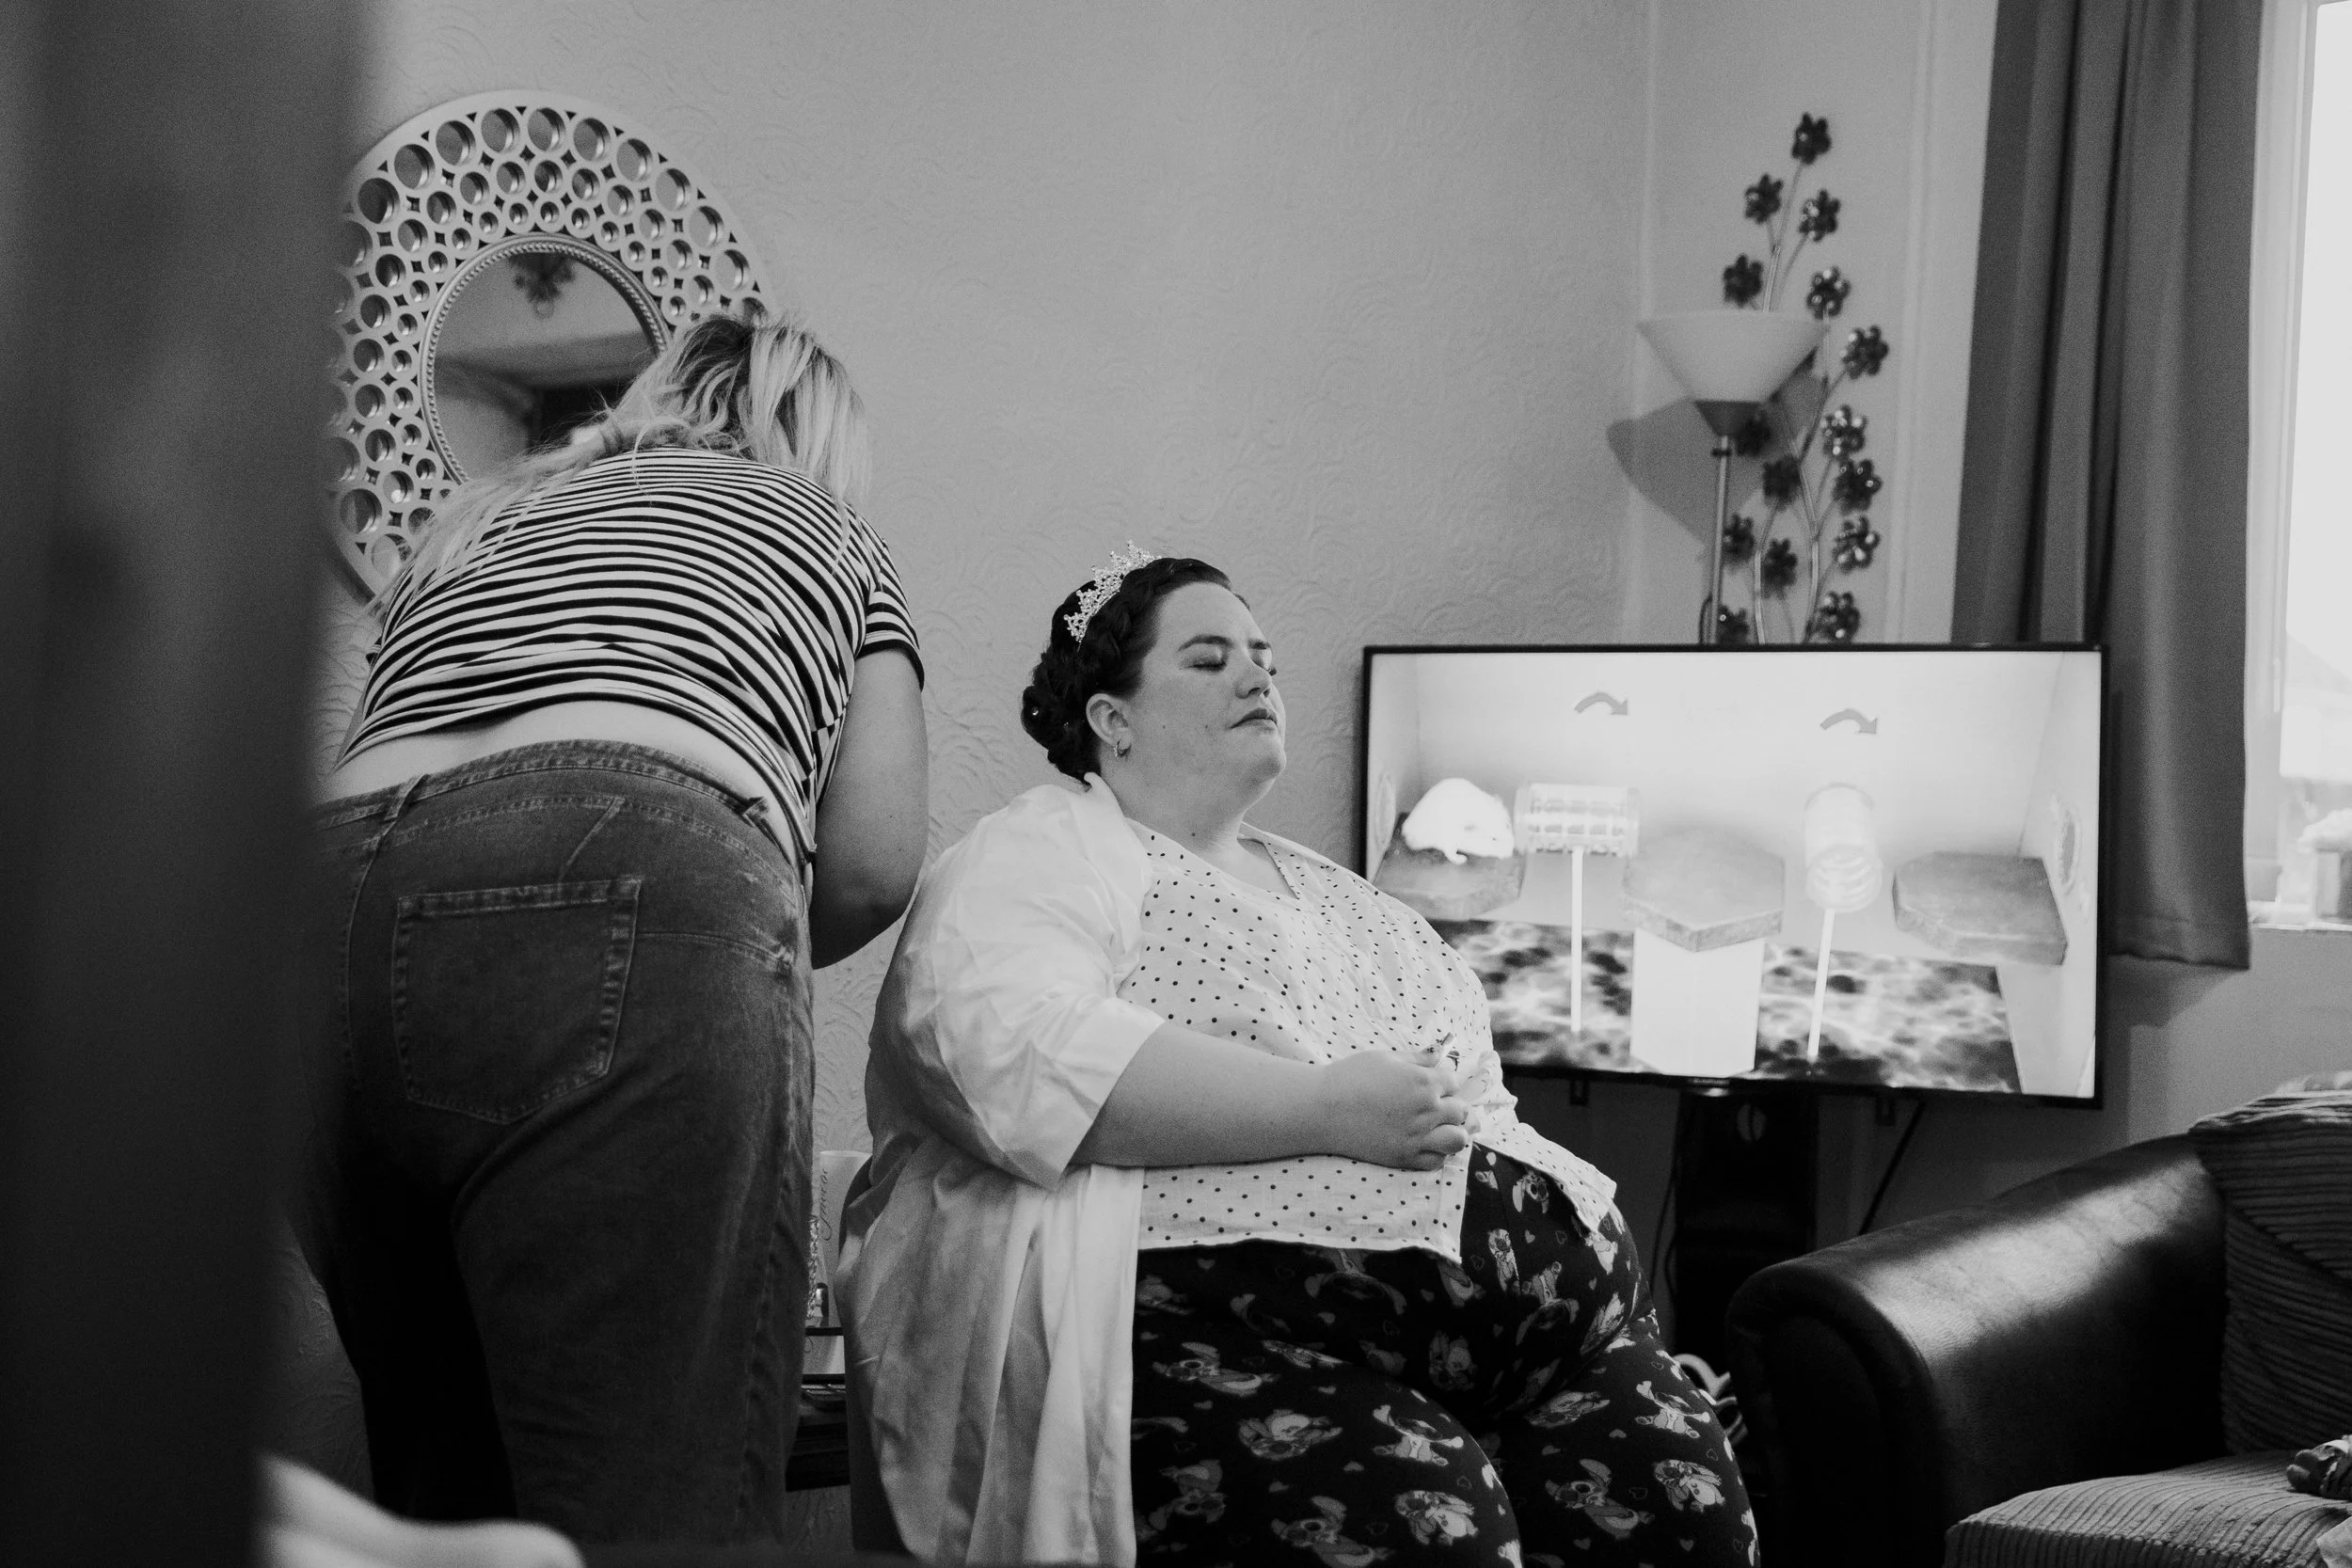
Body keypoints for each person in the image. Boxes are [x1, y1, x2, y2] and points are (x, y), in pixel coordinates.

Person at [838, 552, 1755, 1567]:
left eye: (1263, 657)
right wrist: (1325, 1110)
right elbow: (1008, 1053)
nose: (1257, 675)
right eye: (1209, 656)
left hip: (1545, 1346)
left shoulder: (1347, 896)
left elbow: (1471, 1096)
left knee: (1689, 1523)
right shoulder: (1037, 851)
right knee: (1431, 1531)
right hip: (1226, 1335)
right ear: (1112, 716)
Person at [297, 314, 927, 1544]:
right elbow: (870, 861)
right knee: (647, 1508)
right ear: (814, 434)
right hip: (623, 850)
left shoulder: (477, 518)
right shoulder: (829, 527)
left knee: (443, 1516)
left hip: (314, 909)